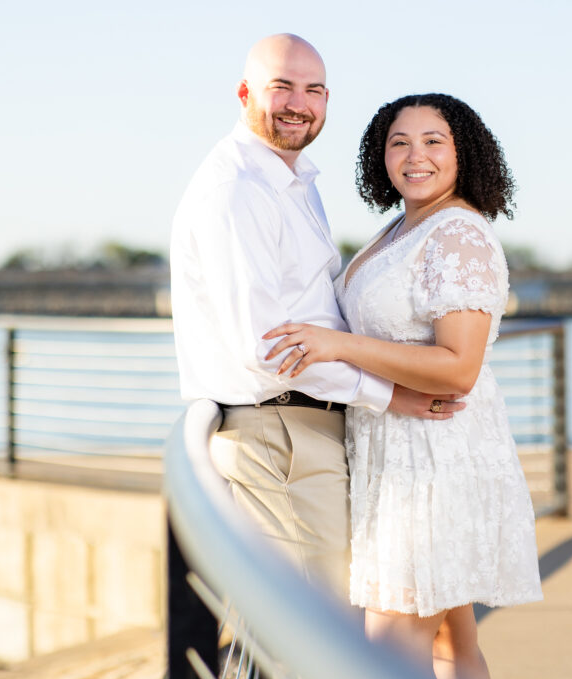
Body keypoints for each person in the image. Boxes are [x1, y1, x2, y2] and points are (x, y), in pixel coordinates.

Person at [169, 34, 462, 602]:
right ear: (244, 92)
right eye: (281, 86)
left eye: (314, 89)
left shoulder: (294, 184)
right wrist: (388, 394)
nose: (298, 103)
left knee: (328, 621)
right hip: (279, 435)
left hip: (308, 427)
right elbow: (269, 349)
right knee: (322, 625)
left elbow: (313, 315)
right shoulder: (239, 191)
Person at [263, 93, 543, 679]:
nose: (416, 155)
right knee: (448, 640)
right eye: (400, 142)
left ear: (463, 152)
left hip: (436, 459)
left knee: (388, 647)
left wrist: (337, 345)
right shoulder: (402, 228)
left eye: (433, 141)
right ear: (380, 156)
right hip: (395, 452)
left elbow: (458, 366)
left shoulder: (458, 236)